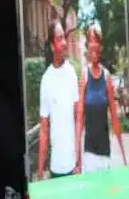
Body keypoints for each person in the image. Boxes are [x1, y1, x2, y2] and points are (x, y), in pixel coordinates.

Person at [78, 24, 127, 172]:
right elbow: (79, 118)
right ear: (88, 45)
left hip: (105, 150)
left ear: (100, 46)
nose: (93, 44)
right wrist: (78, 158)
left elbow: (114, 118)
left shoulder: (106, 77)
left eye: (96, 40)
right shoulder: (84, 76)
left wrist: (124, 158)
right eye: (90, 40)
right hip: (89, 152)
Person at [37, 20, 81, 180]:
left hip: (73, 167)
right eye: (60, 38)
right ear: (51, 45)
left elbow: (78, 119)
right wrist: (40, 171)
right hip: (55, 169)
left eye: (65, 38)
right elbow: (44, 129)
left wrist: (78, 159)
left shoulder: (71, 73)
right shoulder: (46, 80)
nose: (64, 43)